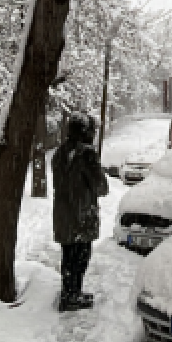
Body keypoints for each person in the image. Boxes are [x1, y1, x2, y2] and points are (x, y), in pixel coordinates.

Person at [51, 112, 109, 312]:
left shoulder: (59, 153)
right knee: (81, 256)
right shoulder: (87, 154)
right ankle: (73, 296)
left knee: (68, 256)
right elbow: (102, 187)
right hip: (82, 215)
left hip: (64, 215)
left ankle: (69, 292)